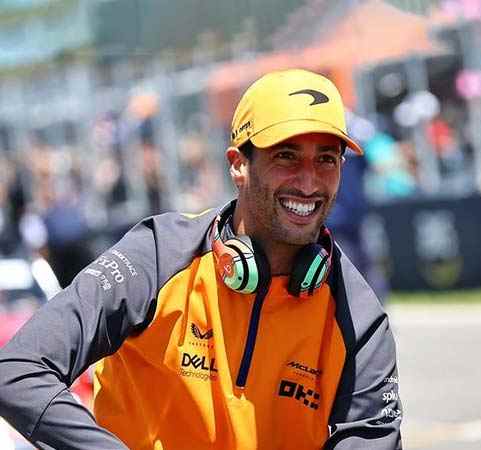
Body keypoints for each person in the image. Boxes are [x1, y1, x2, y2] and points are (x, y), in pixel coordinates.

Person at [0, 69, 402, 449]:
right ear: (238, 165)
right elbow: (18, 368)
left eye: (326, 159)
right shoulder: (157, 256)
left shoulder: (359, 318)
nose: (309, 181)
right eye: (286, 156)